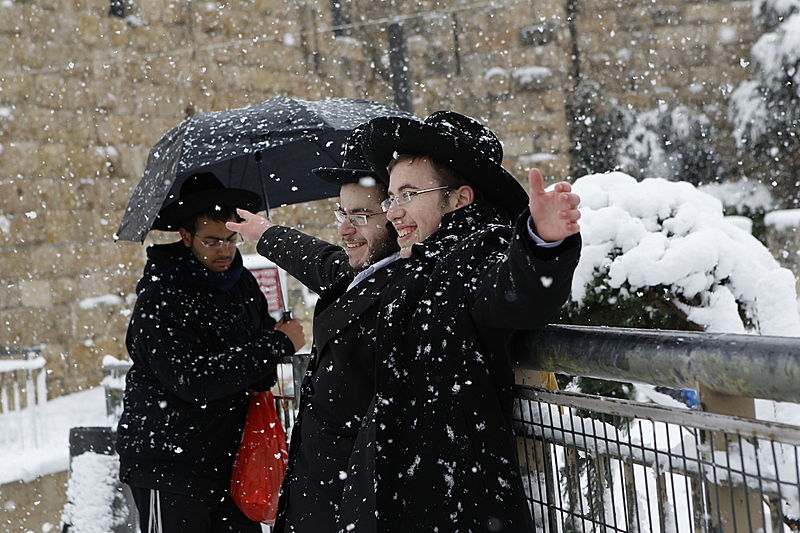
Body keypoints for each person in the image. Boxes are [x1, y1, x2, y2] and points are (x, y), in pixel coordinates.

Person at [333, 110, 582, 533]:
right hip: (404, 497)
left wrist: (542, 242)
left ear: (461, 198)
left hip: (454, 506)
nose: (393, 213)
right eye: (392, 198)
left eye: (409, 194)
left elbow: (516, 292)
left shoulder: (477, 251)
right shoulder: (417, 263)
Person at [227, 131, 401, 533]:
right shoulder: (361, 271)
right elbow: (323, 262)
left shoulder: (405, 286)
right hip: (318, 491)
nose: (344, 230)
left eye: (360, 216)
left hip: (350, 503)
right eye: (343, 214)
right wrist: (266, 233)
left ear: (397, 215)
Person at [115, 172, 305, 533]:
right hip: (169, 466)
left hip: (232, 460)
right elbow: (192, 380)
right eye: (212, 240)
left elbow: (259, 373)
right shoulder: (161, 296)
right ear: (186, 237)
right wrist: (276, 344)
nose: (225, 250)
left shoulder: (242, 284)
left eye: (232, 240)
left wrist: (276, 339)